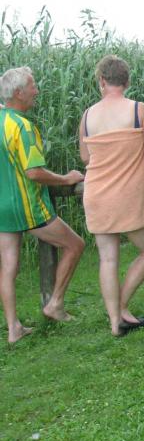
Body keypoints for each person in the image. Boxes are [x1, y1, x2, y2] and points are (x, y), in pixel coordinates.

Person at [79, 55, 144, 337]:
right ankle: (122, 305)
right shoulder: (139, 110)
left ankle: (115, 321)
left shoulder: (87, 115)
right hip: (128, 194)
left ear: (102, 81)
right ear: (126, 81)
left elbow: (85, 157)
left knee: (108, 259)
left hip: (96, 194)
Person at [0, 67, 85, 343]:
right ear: (18, 93)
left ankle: (13, 328)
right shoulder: (23, 127)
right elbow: (34, 173)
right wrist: (66, 178)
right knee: (75, 245)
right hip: (28, 207)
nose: (37, 91)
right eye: (32, 86)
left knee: (8, 266)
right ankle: (54, 304)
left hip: (2, 207)